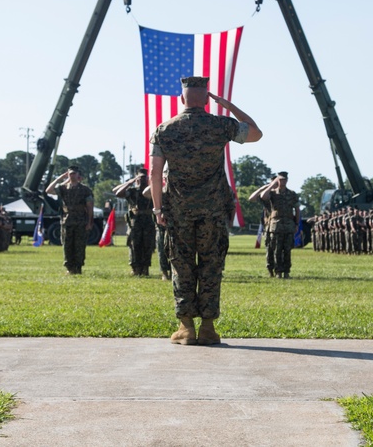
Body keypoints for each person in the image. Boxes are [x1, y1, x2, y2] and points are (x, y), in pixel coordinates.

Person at [149, 76, 262, 346]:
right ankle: (208, 328)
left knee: (182, 266)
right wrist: (229, 106)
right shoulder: (220, 126)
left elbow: (154, 173)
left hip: (178, 211)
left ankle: (186, 327)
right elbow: (256, 133)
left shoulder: (165, 129)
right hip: (212, 211)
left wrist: (157, 209)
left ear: (182, 99)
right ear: (207, 99)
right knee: (211, 265)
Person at [46, 165, 94, 274]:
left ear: (78, 175)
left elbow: (89, 206)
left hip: (80, 220)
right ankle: (69, 268)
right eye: (70, 173)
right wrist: (59, 178)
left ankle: (78, 267)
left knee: (79, 245)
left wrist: (90, 221)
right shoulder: (63, 188)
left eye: (74, 173)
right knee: (67, 245)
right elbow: (48, 190)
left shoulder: (85, 189)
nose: (72, 175)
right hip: (67, 220)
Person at [249, 172, 299, 277]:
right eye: (279, 180)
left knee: (286, 249)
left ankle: (285, 271)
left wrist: (296, 224)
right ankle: (275, 271)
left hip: (286, 225)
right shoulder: (271, 193)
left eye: (283, 180)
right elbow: (257, 197)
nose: (281, 182)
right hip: (274, 226)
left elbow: (297, 210)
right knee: (274, 250)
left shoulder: (291, 194)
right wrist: (269, 185)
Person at [114, 169, 155, 276]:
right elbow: (117, 193)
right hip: (134, 222)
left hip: (148, 221)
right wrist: (129, 182)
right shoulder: (132, 191)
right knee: (134, 245)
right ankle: (135, 268)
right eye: (140, 178)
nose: (142, 180)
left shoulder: (151, 190)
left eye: (144, 178)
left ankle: (145, 268)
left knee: (147, 245)